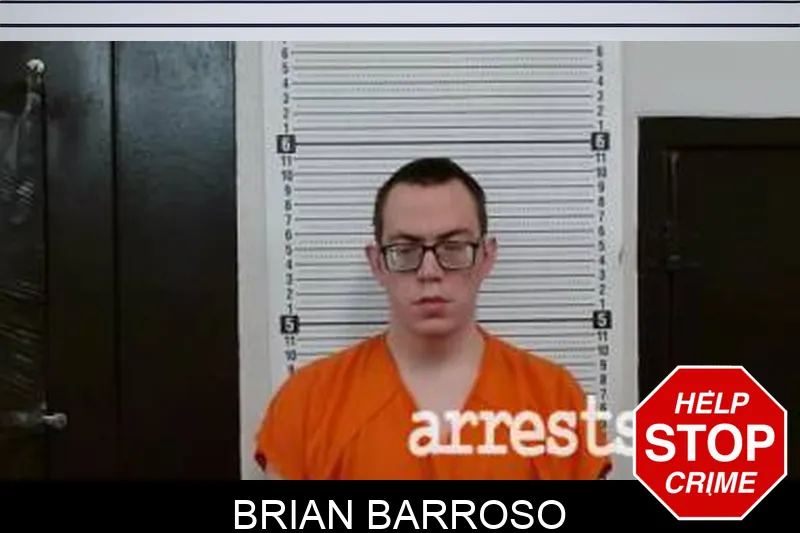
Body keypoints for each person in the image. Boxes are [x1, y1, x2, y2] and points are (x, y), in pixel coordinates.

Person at [254, 157, 612, 480]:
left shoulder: (555, 400)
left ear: (486, 256)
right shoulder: (307, 402)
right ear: (377, 262)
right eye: (405, 250)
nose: (429, 271)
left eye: (453, 248)